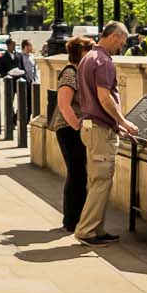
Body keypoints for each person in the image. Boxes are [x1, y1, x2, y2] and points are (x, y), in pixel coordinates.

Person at [74, 22, 137, 245]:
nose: (123, 45)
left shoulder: (88, 58)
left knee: (96, 180)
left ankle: (97, 228)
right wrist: (122, 121)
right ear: (114, 36)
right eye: (122, 40)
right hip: (100, 130)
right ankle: (87, 231)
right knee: (102, 181)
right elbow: (104, 97)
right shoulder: (103, 62)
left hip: (91, 127)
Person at [53, 37, 93, 233]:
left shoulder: (77, 72)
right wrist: (76, 125)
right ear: (80, 52)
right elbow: (64, 103)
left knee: (78, 174)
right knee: (77, 174)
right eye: (89, 49)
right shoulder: (70, 73)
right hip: (68, 130)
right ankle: (72, 220)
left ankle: (74, 219)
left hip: (72, 129)